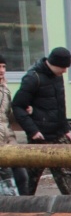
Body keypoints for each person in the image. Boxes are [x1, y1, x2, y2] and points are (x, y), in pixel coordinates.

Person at [12, 46, 71, 196]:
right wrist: (33, 131)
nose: (65, 71)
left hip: (58, 134)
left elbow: (60, 106)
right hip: (40, 137)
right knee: (30, 178)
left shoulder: (57, 76)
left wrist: (65, 129)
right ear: (53, 63)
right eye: (63, 67)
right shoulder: (33, 78)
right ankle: (22, 209)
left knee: (67, 175)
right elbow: (18, 106)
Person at [0, 54, 29, 195]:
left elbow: (5, 115)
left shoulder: (4, 89)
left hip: (8, 139)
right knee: (8, 183)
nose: (2, 70)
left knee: (21, 176)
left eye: (3, 66)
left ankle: (25, 210)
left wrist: (24, 111)